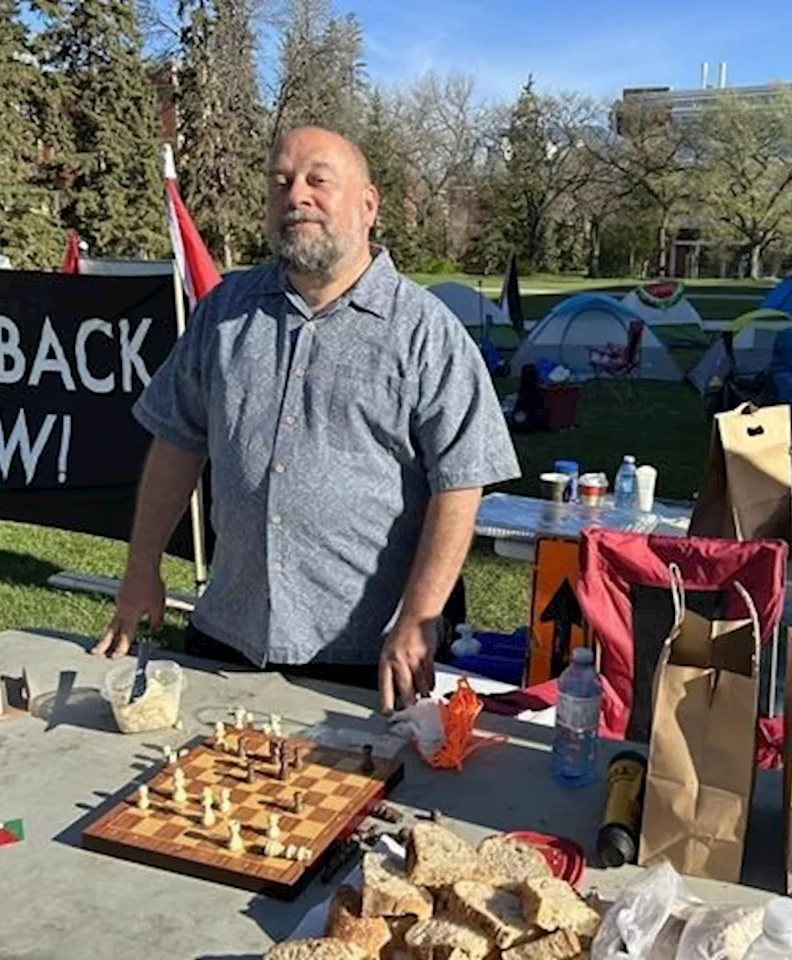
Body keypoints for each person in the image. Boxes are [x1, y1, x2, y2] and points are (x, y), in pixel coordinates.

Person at [92, 126, 521, 712]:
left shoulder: (426, 332)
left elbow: (461, 483)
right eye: (280, 182)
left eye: (318, 180)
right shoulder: (223, 313)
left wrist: (421, 616)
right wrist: (141, 566)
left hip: (364, 657)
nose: (296, 196)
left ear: (368, 205)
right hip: (227, 639)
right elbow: (176, 442)